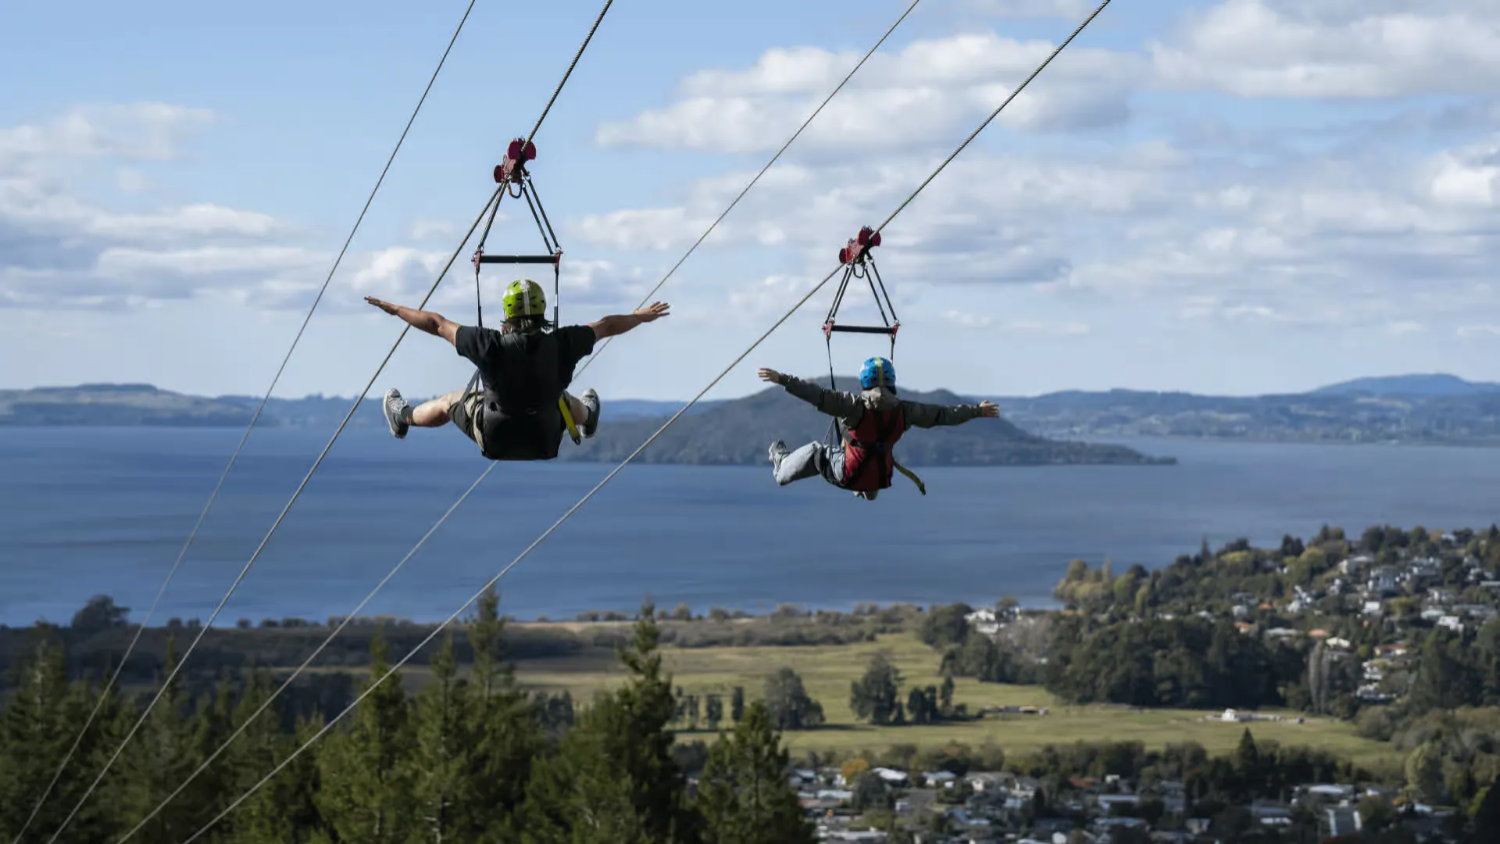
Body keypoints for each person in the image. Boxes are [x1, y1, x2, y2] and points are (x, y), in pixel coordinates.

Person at [364, 279, 669, 461]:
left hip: (495, 438)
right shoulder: (564, 343)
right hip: (544, 439)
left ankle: (402, 417)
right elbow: (607, 325)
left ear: (506, 313)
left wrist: (397, 310)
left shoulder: (488, 344)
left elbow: (437, 324)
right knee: (560, 398)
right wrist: (639, 317)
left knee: (449, 401)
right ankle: (588, 417)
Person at [757, 356, 1000, 500]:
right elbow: (943, 415)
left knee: (815, 451)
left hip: (850, 474)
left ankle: (781, 468)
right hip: (879, 478)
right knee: (865, 450)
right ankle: (865, 489)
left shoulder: (852, 406)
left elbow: (815, 395)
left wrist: (783, 379)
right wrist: (977, 410)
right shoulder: (905, 411)